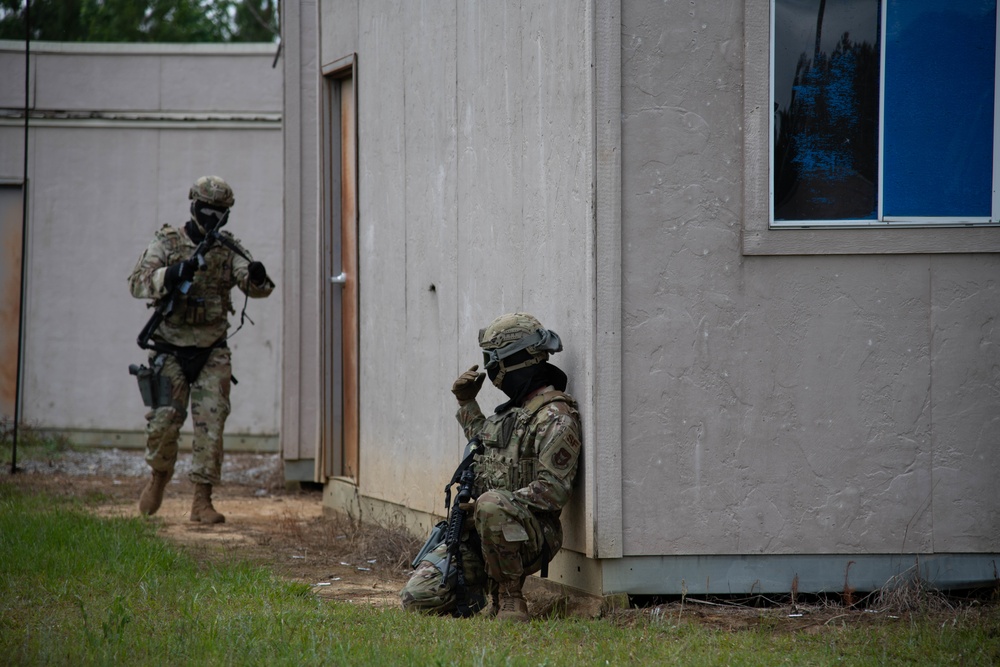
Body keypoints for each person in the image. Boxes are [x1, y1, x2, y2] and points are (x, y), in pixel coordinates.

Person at [400, 312, 582, 621]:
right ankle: (476, 592)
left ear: (515, 360)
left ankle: (509, 598)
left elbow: (554, 491)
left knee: (490, 505)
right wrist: (466, 403)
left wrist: (489, 506)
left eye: (493, 359)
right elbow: (485, 444)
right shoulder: (515, 411)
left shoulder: (555, 417)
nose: (490, 369)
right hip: (485, 531)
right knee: (418, 596)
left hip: (534, 533)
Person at [127, 175, 274, 523]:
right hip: (170, 348)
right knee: (164, 422)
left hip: (211, 349)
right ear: (193, 206)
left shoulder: (227, 248)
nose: (213, 219)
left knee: (212, 424)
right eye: (207, 211)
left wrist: (255, 276)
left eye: (220, 213)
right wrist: (176, 271)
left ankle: (201, 501)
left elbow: (257, 286)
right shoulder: (168, 241)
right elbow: (138, 283)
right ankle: (159, 477)